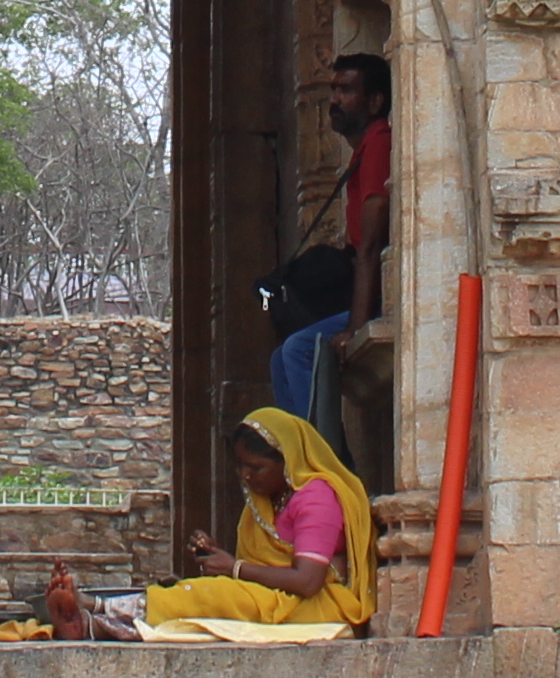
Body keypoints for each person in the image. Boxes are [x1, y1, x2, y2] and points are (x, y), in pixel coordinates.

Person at [41, 408, 383, 640]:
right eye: (240, 467)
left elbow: (307, 581)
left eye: (256, 468)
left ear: (288, 460)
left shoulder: (317, 498)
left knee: (214, 595)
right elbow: (267, 567)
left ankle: (94, 618)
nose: (246, 477)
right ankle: (92, 615)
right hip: (279, 597)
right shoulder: (270, 498)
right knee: (200, 604)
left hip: (319, 604)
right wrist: (221, 559)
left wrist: (233, 569)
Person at [265, 54, 391, 436]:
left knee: (298, 351)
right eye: (333, 90)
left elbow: (369, 246)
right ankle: (295, 455)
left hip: (379, 291)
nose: (335, 100)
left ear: (375, 102)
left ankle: (319, 459)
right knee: (279, 358)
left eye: (347, 90)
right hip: (358, 285)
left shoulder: (380, 143)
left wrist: (355, 326)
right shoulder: (364, 148)